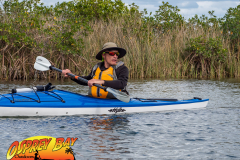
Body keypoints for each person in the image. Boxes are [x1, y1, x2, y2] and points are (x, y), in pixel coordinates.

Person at [62, 42, 129, 99]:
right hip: (94, 100)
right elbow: (87, 81)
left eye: (117, 54)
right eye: (112, 53)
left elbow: (122, 83)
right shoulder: (97, 67)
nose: (115, 56)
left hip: (114, 102)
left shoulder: (121, 68)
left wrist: (101, 82)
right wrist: (72, 76)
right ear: (104, 55)